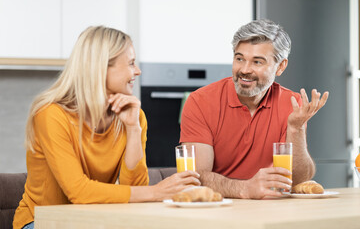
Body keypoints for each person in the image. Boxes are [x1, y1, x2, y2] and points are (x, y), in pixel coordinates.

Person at [13, 26, 200, 229]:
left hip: (95, 221)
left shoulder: (133, 115)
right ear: (101, 67)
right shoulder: (51, 115)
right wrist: (157, 192)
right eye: (130, 63)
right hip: (41, 222)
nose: (137, 71)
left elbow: (135, 189)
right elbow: (79, 192)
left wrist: (133, 128)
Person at [179, 19, 329, 200]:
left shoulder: (292, 103)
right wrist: (245, 188)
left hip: (270, 209)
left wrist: (295, 129)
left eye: (257, 62)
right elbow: (195, 177)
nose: (244, 69)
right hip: (217, 208)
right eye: (239, 58)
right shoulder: (200, 101)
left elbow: (299, 178)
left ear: (280, 66)